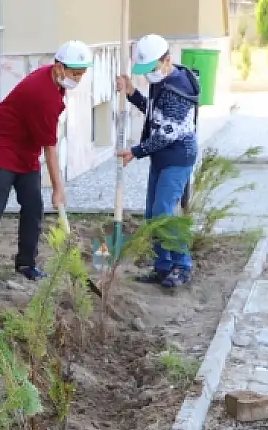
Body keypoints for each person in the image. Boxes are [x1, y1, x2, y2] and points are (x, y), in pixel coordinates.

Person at [0, 41, 93, 285]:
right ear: (60, 67)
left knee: (33, 207)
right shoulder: (43, 94)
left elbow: (42, 142)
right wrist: (58, 189)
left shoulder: (54, 80)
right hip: (1, 146)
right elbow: (50, 148)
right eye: (75, 73)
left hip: (25, 149)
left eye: (82, 74)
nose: (79, 79)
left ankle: (26, 264)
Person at [116, 33, 201, 289]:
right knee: (153, 214)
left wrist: (137, 150)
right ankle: (162, 267)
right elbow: (154, 114)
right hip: (162, 157)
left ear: (167, 60)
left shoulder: (179, 88)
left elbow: (167, 131)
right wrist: (132, 93)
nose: (148, 75)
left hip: (178, 156)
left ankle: (182, 266)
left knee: (164, 213)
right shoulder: (160, 79)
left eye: (152, 68)